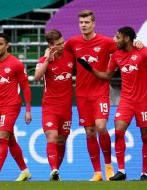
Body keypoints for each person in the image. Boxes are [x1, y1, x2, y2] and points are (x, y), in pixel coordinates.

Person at [77, 26, 147, 181]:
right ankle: (121, 171)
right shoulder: (116, 55)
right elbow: (107, 75)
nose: (115, 40)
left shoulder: (143, 51)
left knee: (146, 137)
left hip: (143, 101)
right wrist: (90, 69)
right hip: (126, 101)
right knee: (118, 132)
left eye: (118, 37)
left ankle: (144, 174)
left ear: (127, 38)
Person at [64, 9, 116, 181]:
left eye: (87, 22)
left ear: (94, 23)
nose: (84, 26)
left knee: (101, 127)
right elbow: (62, 57)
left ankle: (109, 167)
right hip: (82, 93)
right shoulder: (72, 43)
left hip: (100, 91)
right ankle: (97, 172)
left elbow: (124, 48)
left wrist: (138, 45)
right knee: (90, 131)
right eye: (81, 23)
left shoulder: (106, 42)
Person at [0, 32, 32, 182]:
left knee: (3, 137)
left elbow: (26, 87)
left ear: (7, 45)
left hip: (12, 105)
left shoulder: (16, 63)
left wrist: (28, 110)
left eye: (0, 44)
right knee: (10, 140)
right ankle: (25, 171)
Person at [34, 29, 75, 181]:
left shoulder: (70, 56)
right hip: (50, 107)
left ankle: (56, 173)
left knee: (62, 140)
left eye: (63, 42)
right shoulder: (44, 60)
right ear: (50, 45)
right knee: (52, 136)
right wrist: (46, 59)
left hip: (66, 107)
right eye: (58, 44)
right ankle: (54, 169)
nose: (62, 46)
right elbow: (37, 77)